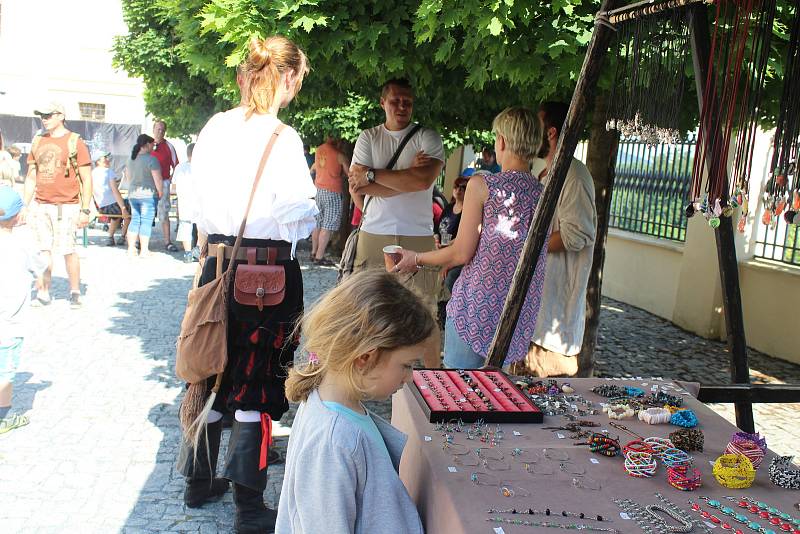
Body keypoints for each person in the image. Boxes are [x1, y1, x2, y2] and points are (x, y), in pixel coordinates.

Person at [181, 35, 316, 533]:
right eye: (297, 80)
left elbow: (193, 203)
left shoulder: (214, 126)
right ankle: (249, 509)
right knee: (255, 385)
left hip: (215, 266)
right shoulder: (282, 137)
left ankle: (198, 481)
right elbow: (295, 214)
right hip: (267, 276)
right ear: (287, 79)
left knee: (209, 371)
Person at [276, 270, 434, 534]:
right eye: (406, 365)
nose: (410, 377)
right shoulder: (334, 440)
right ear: (365, 358)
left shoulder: (333, 403)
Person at [395, 107, 548, 368]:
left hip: (476, 308)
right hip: (517, 312)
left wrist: (416, 258)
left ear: (501, 141)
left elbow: (462, 253)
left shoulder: (483, 185)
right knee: (495, 397)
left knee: (461, 397)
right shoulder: (544, 193)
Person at [347, 78, 445, 337]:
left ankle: (428, 374)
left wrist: (372, 176)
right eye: (395, 101)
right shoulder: (368, 137)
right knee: (366, 309)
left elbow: (423, 181)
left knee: (424, 313)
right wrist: (408, 175)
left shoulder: (428, 137)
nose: (402, 107)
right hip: (374, 233)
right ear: (382, 103)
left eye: (408, 102)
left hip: (418, 235)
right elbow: (358, 188)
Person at [511, 102, 598, 377]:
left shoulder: (573, 175)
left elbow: (577, 234)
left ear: (550, 133)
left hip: (553, 325)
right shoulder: (545, 173)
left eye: (535, 128)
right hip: (533, 316)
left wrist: (526, 246)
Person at [21, 102, 93, 309]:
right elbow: (31, 176)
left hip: (67, 205)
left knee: (68, 250)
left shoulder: (75, 142)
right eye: (41, 115)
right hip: (41, 204)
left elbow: (86, 178)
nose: (44, 118)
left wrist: (85, 209)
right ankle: (43, 291)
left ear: (60, 115)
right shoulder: (38, 141)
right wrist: (25, 205)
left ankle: (75, 290)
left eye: (48, 114)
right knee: (43, 250)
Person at [0, 186, 46, 434]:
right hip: (10, 319)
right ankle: (3, 416)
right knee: (5, 370)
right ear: (17, 216)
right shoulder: (21, 243)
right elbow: (42, 264)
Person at [310, 136, 348, 265]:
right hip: (333, 191)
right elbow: (349, 173)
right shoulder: (339, 154)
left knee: (317, 223)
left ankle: (313, 252)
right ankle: (319, 257)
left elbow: (313, 168)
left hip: (318, 190)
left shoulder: (318, 150)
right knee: (327, 226)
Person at [125, 134, 164, 258]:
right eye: (152, 144)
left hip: (132, 194)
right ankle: (144, 250)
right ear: (146, 144)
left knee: (135, 220)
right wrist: (160, 192)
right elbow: (158, 179)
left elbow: (128, 178)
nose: (154, 146)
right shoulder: (152, 160)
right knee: (146, 221)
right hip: (148, 195)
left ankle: (131, 249)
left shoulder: (131, 159)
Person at [151, 120, 179, 251]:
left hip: (163, 183)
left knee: (164, 212)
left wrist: (170, 180)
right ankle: (140, 241)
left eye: (162, 129)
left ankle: (168, 241)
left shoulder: (169, 146)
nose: (160, 132)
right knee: (145, 212)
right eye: (158, 129)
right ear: (153, 129)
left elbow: (176, 166)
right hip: (148, 184)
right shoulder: (147, 145)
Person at [92, 150, 129, 246]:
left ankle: (110, 237)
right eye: (105, 158)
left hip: (101, 206)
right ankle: (122, 236)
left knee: (116, 215)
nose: (108, 160)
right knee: (133, 208)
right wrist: (123, 208)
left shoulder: (92, 173)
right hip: (112, 205)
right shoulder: (108, 172)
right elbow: (115, 191)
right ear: (99, 161)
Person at [172, 142, 197, 263]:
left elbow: (174, 185)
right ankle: (198, 251)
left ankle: (187, 253)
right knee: (200, 227)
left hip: (184, 201)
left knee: (185, 226)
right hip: (198, 202)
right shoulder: (201, 167)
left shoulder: (179, 168)